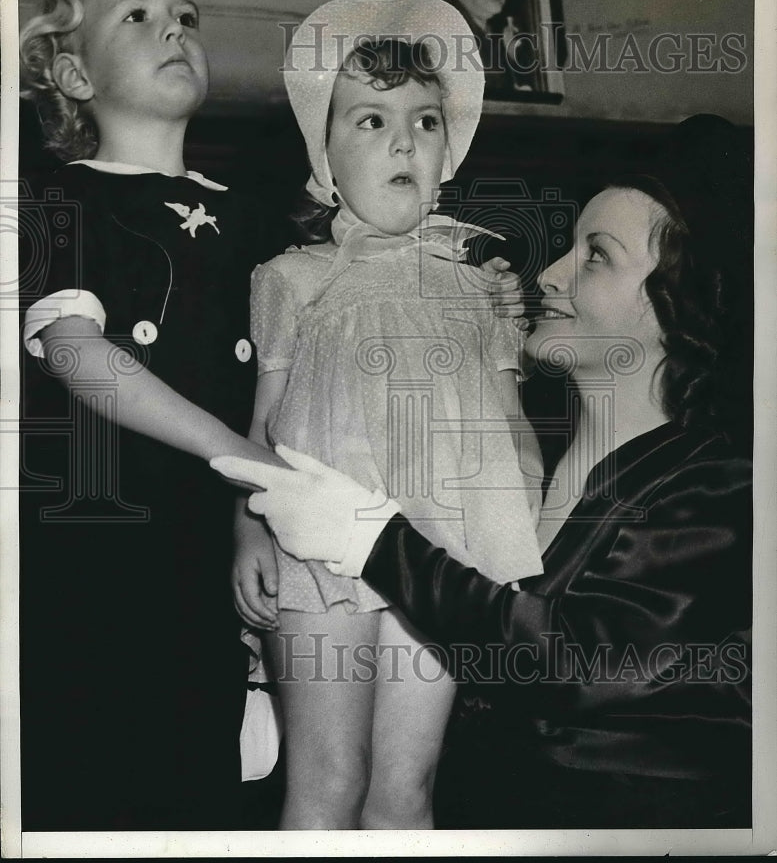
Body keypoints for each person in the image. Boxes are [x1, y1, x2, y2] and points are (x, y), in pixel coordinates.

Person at [214, 118, 753, 828]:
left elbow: (575, 664)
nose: (551, 273)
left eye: (594, 256)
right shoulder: (516, 470)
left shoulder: (721, 484)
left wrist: (371, 544)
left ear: (674, 305)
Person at [230, 0, 545, 830]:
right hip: (318, 552)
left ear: (450, 147)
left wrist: (520, 551)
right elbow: (259, 429)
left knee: (406, 787)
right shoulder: (291, 278)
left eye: (426, 121)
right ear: (323, 161)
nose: (405, 139)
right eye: (371, 120)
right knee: (329, 777)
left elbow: (513, 435)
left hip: (442, 548)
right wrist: (247, 530)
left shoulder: (485, 280)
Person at [18, 0, 284, 830]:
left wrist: (253, 516)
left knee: (199, 795)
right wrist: (240, 459)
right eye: (137, 16)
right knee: (91, 792)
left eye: (184, 16)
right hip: (90, 570)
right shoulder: (57, 202)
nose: (173, 29)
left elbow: (277, 389)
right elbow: (77, 354)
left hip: (204, 574)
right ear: (76, 77)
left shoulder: (252, 221)